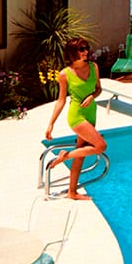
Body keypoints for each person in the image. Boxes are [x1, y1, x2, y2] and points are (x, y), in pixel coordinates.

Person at [46, 37, 107, 200]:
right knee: (100, 146)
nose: (86, 51)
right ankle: (64, 156)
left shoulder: (94, 67)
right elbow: (61, 100)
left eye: (87, 48)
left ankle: (72, 192)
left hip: (91, 113)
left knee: (81, 154)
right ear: (73, 52)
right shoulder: (64, 74)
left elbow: (99, 89)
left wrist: (92, 96)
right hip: (77, 116)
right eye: (82, 49)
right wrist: (51, 124)